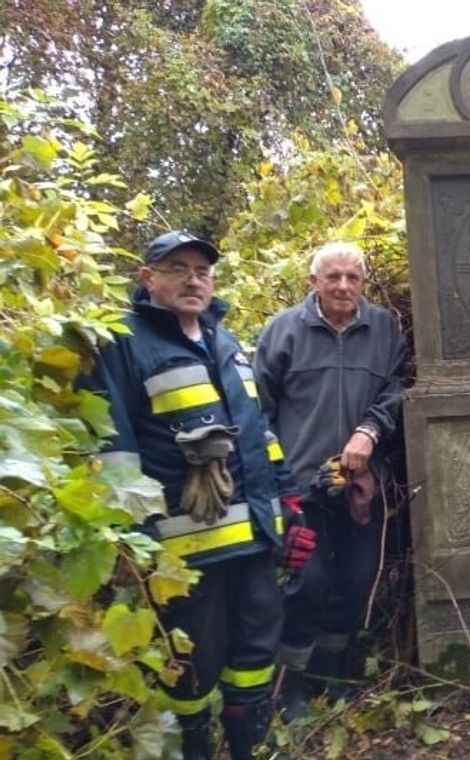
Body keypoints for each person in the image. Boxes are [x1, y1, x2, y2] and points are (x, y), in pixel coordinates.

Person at [79, 231, 316, 759]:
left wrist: (289, 508)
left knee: (255, 649)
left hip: (253, 538)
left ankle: (244, 744)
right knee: (192, 663)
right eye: (178, 268)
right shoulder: (122, 344)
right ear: (148, 278)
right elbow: (115, 449)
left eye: (202, 271)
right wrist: (134, 541)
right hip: (184, 552)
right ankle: (193, 749)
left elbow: (259, 435)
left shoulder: (226, 343)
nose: (193, 280)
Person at [254, 241, 407, 720]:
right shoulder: (282, 332)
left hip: (362, 486)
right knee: (309, 583)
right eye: (333, 277)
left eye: (353, 277)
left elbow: (397, 389)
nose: (344, 286)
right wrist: (275, 480)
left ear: (363, 283)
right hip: (301, 486)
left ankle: (331, 674)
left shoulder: (383, 328)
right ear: (313, 282)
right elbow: (257, 412)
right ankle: (290, 684)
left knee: (356, 581)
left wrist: (369, 431)